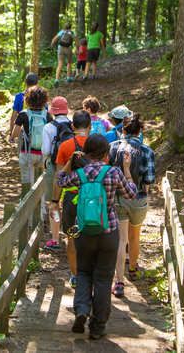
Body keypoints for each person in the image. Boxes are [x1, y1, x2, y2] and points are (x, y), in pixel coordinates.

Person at [57, 134, 137, 340]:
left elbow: (61, 181)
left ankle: (82, 310)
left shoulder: (81, 173)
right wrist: (127, 170)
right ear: (105, 153)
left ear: (86, 152)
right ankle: (98, 326)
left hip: (83, 232)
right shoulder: (114, 172)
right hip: (108, 231)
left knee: (83, 273)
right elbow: (131, 194)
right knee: (103, 278)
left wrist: (68, 163)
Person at [108, 113, 154, 298]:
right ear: (140, 131)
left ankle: (119, 281)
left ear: (122, 129)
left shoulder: (112, 148)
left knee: (121, 239)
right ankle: (133, 269)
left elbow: (108, 172)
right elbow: (149, 179)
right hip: (139, 198)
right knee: (135, 236)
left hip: (118, 197)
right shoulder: (147, 151)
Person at [53, 110, 92, 289]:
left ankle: (76, 275)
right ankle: (90, 273)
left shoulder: (65, 146)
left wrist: (55, 201)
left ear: (72, 126)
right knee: (92, 236)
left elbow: (58, 175)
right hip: (93, 198)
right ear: (90, 126)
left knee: (72, 237)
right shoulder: (98, 146)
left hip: (71, 196)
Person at [41, 96, 73, 251]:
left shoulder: (48, 127)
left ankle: (55, 238)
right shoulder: (73, 125)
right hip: (72, 167)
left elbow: (46, 151)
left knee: (54, 203)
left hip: (54, 167)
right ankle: (71, 237)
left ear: (53, 111)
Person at [9, 86, 52, 198]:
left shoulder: (23, 114)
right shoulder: (47, 115)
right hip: (43, 154)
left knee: (26, 182)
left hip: (27, 153)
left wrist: (11, 137)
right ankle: (40, 210)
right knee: (40, 183)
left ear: (27, 99)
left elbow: (15, 133)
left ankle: (24, 209)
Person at [7, 73, 40, 143]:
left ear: (25, 82)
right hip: (38, 130)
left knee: (22, 151)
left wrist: (11, 133)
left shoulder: (19, 96)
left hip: (22, 131)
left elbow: (14, 115)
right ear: (37, 83)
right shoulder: (41, 97)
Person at [50, 22, 75, 87]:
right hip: (68, 49)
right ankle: (68, 77)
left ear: (65, 27)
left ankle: (56, 80)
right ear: (70, 27)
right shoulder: (72, 33)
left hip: (60, 48)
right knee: (69, 63)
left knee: (60, 64)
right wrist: (78, 48)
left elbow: (54, 39)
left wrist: (52, 45)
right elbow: (76, 41)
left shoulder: (61, 32)